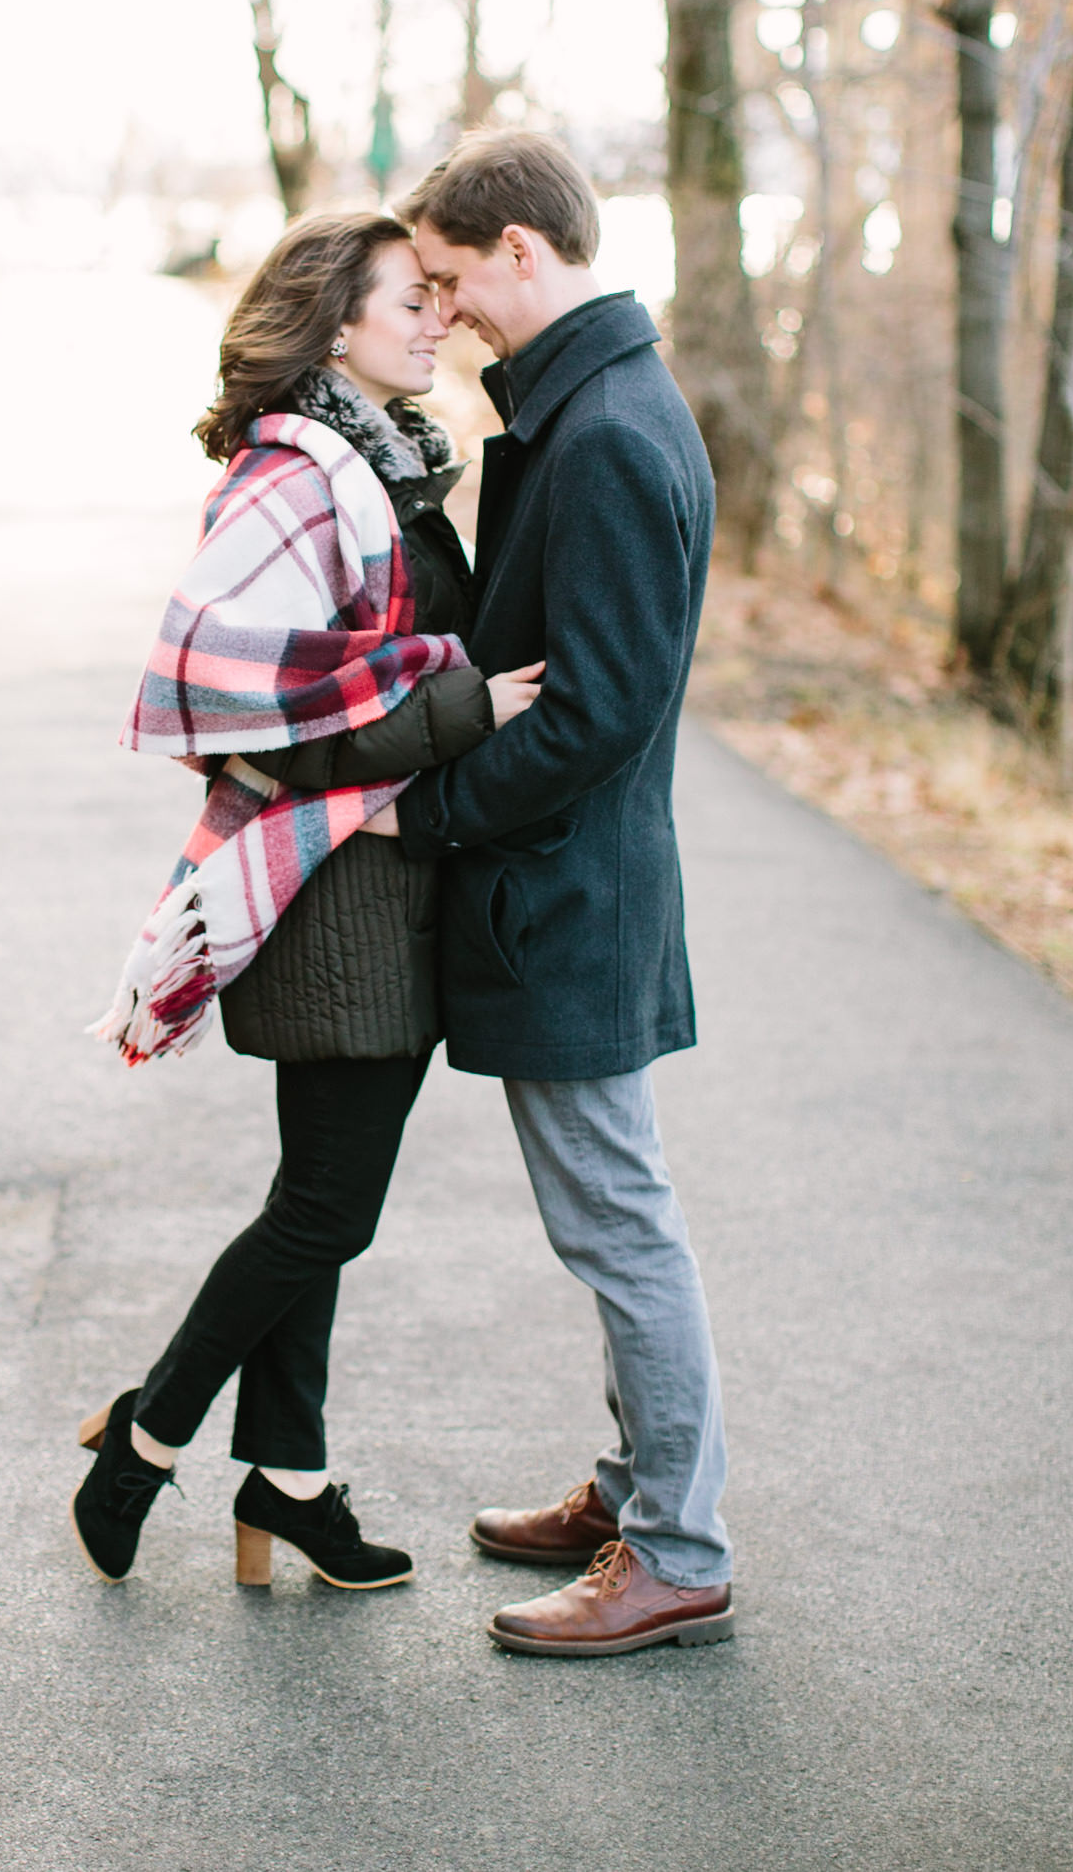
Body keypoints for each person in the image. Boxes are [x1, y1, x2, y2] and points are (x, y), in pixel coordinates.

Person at [81, 209, 543, 1594]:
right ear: (334, 319)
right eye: (409, 297)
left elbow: (357, 667)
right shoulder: (294, 475)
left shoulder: (382, 464)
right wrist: (458, 709)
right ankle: (147, 1434)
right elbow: (250, 722)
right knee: (326, 1209)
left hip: (382, 879)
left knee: (318, 1195)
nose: (436, 318)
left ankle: (288, 1482)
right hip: (332, 887)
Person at [372, 130, 735, 1657]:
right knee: (611, 1213)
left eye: (449, 279)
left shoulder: (603, 437)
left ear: (524, 248)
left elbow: (594, 715)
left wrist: (431, 805)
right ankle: (633, 1484)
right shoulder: (586, 410)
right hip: (571, 892)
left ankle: (676, 1545)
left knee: (619, 1225)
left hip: (567, 899)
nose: (440, 312)